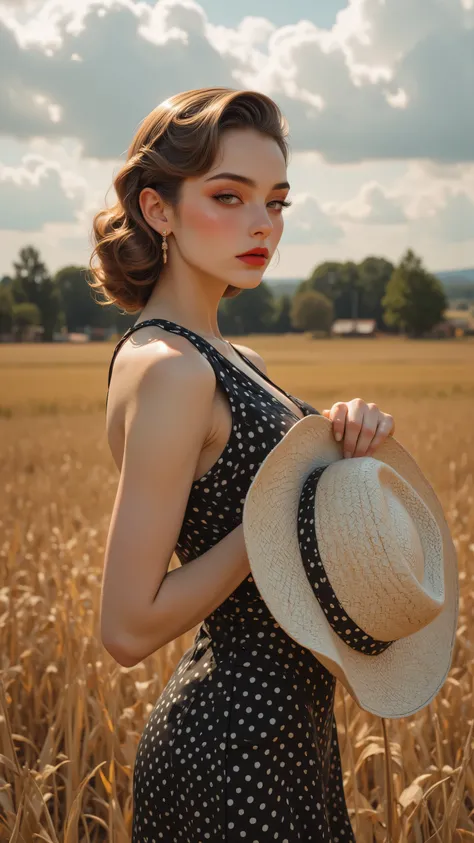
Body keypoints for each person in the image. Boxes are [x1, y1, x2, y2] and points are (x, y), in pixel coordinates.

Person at [89, 87, 395, 843]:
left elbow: (293, 508)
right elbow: (126, 627)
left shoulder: (232, 358)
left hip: (291, 735)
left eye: (278, 202)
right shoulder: (171, 370)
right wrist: (277, 518)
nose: (264, 225)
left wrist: (343, 435)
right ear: (159, 210)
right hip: (234, 748)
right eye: (229, 196)